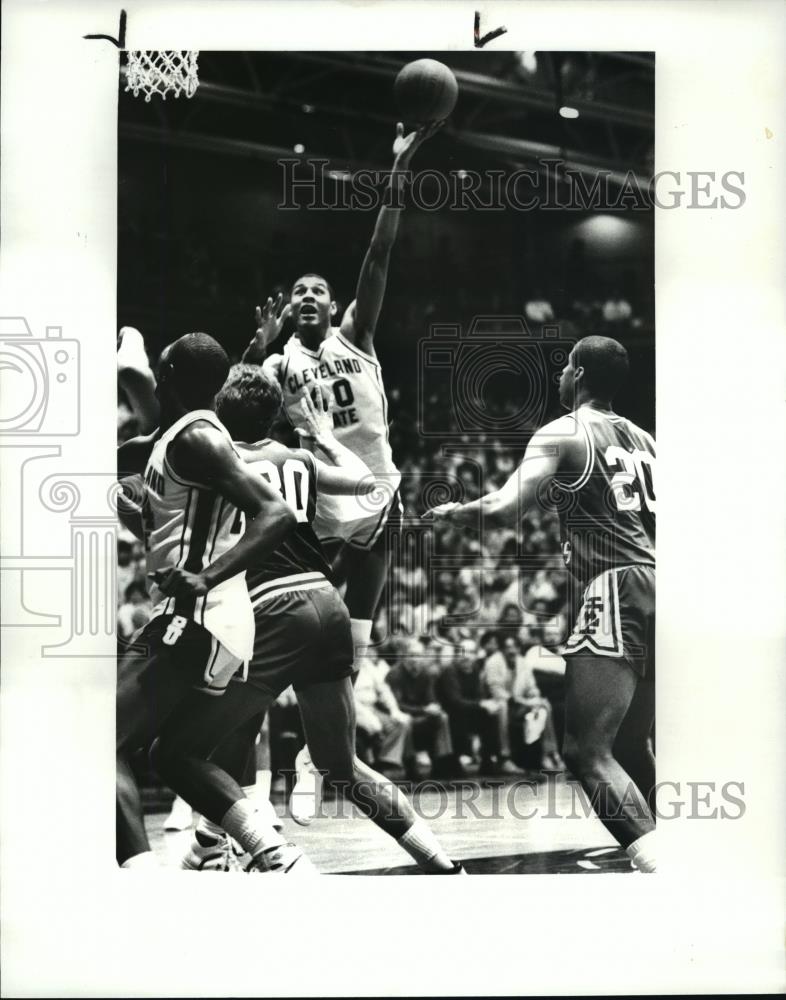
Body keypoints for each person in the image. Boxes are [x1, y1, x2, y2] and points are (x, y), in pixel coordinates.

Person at [153, 365, 465, 874]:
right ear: (276, 415)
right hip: (326, 603)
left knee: (186, 749)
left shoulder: (219, 461)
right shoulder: (297, 458)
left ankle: (255, 851)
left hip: (270, 608)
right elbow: (374, 488)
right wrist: (324, 437)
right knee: (342, 767)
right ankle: (443, 863)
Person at [241, 121, 442, 819]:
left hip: (381, 499)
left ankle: (319, 760)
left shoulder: (359, 335)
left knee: (351, 652)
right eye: (297, 290)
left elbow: (380, 253)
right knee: (308, 642)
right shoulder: (275, 364)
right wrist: (254, 343)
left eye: (317, 290)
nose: (306, 296)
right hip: (323, 507)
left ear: (334, 306)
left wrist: (400, 168)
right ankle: (289, 766)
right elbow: (230, 407)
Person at [428, 335, 657, 872]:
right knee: (629, 746)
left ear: (577, 374)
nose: (558, 378)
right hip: (660, 580)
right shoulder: (647, 440)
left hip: (615, 582)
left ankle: (661, 866)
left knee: (585, 751)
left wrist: (455, 513)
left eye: (563, 370)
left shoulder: (564, 431)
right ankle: (687, 849)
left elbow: (505, 508)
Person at [115, 332, 320, 873]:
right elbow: (155, 520)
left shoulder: (200, 438)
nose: (155, 380)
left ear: (173, 376)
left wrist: (204, 577)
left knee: (100, 739)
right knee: (174, 757)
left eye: (161, 370)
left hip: (199, 616)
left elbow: (274, 513)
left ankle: (141, 883)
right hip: (217, 622)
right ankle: (278, 859)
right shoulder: (173, 440)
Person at [385, 637, 454, 778]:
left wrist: (434, 707)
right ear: (404, 656)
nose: (415, 659)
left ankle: (440, 763)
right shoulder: (395, 674)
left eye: (418, 655)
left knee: (442, 717)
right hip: (401, 716)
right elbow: (397, 705)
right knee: (407, 721)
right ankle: (411, 766)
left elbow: (431, 698)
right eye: (411, 655)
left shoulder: (426, 673)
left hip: (421, 714)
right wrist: (424, 710)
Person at [437, 639, 502, 773]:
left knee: (490, 715)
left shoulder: (476, 670)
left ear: (476, 655)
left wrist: (487, 704)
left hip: (469, 711)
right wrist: (481, 704)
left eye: (471, 652)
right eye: (462, 652)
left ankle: (487, 759)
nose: (466, 656)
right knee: (458, 717)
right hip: (451, 713)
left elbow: (480, 694)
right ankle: (453, 761)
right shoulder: (449, 671)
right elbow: (455, 701)